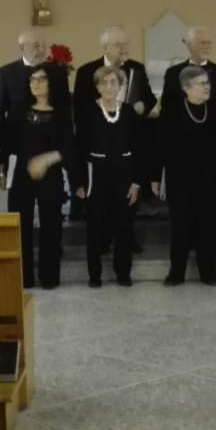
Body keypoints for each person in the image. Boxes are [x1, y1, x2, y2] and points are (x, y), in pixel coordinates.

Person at [154, 65, 216, 286]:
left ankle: (208, 272)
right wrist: (155, 176)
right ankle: (176, 272)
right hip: (180, 179)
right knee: (180, 226)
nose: (207, 87)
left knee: (209, 225)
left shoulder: (215, 111)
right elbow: (160, 146)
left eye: (208, 83)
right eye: (202, 84)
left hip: (210, 177)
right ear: (187, 88)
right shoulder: (172, 112)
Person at [72, 66, 146, 287]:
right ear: (97, 87)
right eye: (104, 83)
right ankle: (94, 275)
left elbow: (140, 149)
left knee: (125, 226)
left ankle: (123, 273)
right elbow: (78, 149)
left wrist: (136, 182)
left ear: (120, 86)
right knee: (95, 227)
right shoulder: (88, 112)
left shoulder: (129, 112)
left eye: (114, 82)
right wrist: (79, 182)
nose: (109, 87)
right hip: (95, 176)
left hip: (124, 175)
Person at [7, 63, 73, 289]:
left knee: (51, 226)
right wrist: (3, 168)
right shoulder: (19, 110)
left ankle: (49, 277)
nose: (35, 84)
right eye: (32, 80)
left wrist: (47, 159)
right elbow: (9, 143)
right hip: (21, 173)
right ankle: (24, 278)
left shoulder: (62, 112)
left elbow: (69, 146)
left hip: (51, 173)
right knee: (20, 225)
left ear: (52, 83)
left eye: (41, 79)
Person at [0, 30, 68, 181]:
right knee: (19, 191)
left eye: (43, 45)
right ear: (22, 48)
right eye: (36, 46)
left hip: (49, 145)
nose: (42, 50)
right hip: (17, 145)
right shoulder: (6, 73)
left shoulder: (58, 72)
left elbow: (64, 109)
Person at [73, 25, 157, 118]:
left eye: (126, 43)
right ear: (105, 48)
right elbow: (80, 107)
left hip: (131, 125)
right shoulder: (86, 72)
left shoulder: (137, 68)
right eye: (117, 44)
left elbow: (150, 99)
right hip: (99, 125)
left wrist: (142, 107)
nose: (124, 47)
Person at [161, 26, 216, 113]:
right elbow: (167, 108)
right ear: (189, 46)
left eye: (208, 43)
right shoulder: (173, 73)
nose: (206, 47)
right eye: (202, 43)